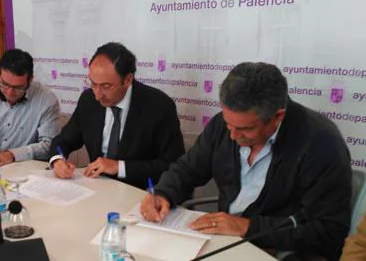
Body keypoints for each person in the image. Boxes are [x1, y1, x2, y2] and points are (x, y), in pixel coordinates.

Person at [139, 62, 352, 260]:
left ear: (277, 116)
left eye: (245, 129)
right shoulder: (225, 125)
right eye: (228, 124)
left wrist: (247, 227)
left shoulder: (320, 144)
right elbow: (187, 169)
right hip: (224, 240)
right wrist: (163, 193)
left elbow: (328, 230)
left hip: (280, 251)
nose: (232, 135)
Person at [48, 42, 185, 189]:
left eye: (106, 86)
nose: (97, 95)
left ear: (127, 80)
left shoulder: (158, 106)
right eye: (93, 84)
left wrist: (119, 167)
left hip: (140, 193)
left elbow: (172, 164)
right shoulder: (88, 100)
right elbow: (63, 140)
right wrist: (57, 160)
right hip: (96, 188)